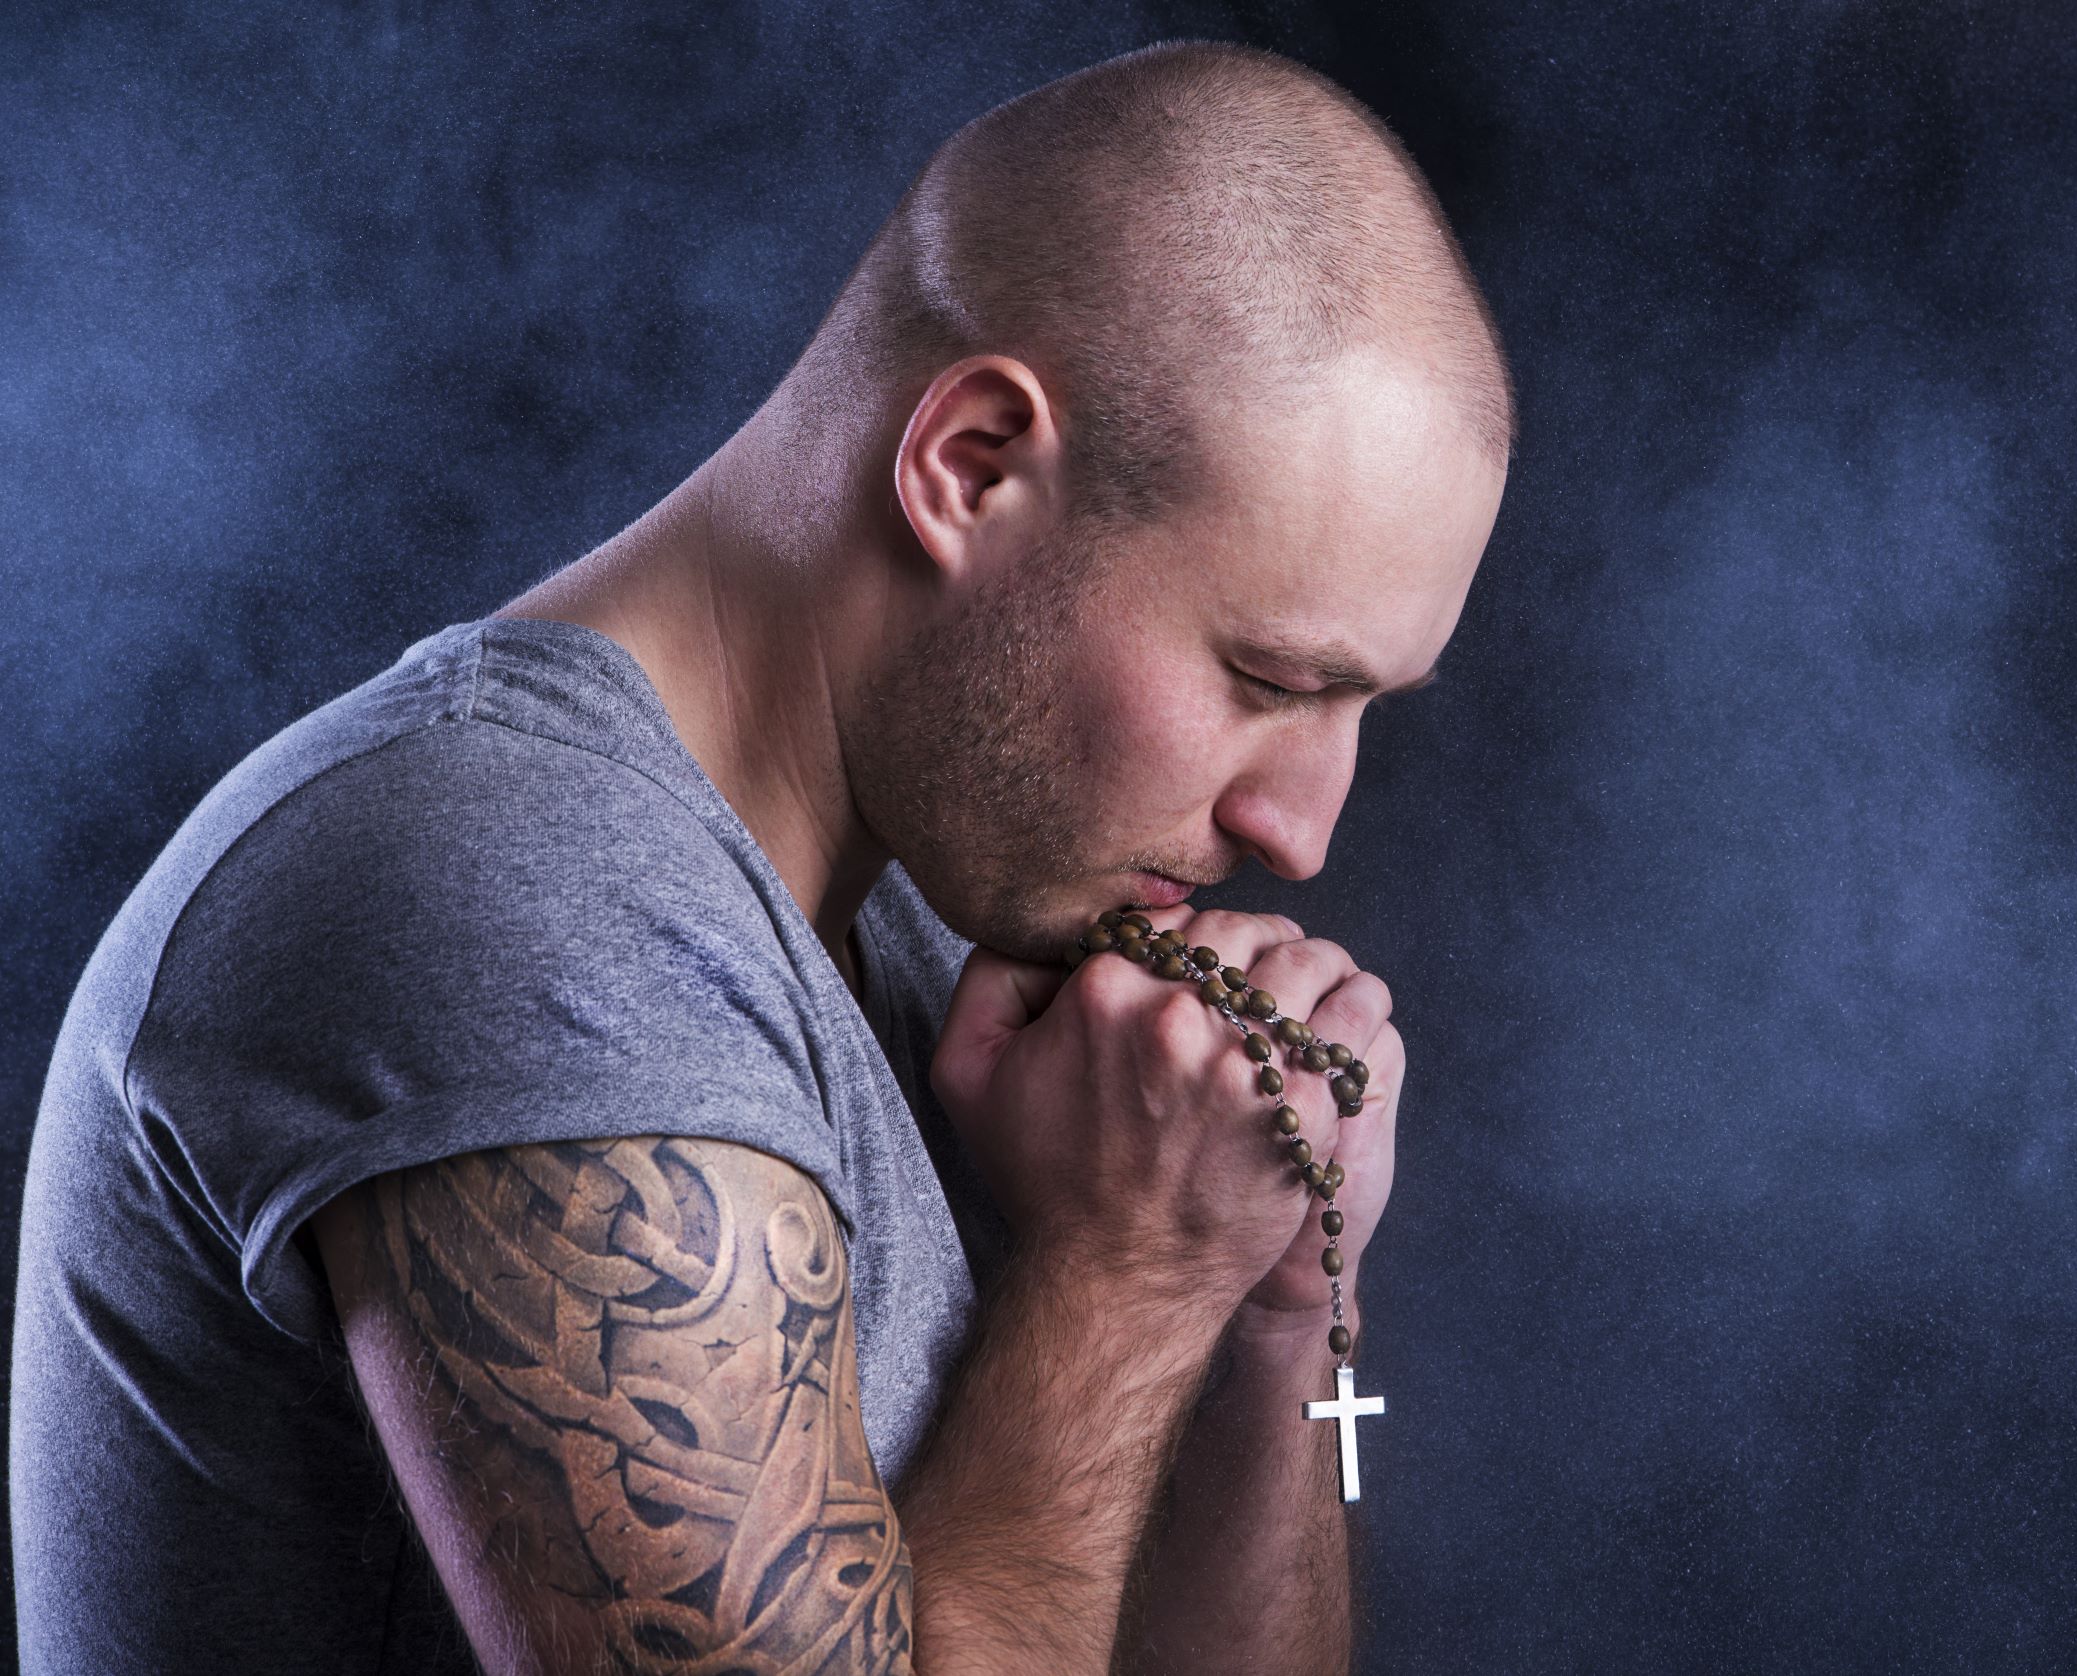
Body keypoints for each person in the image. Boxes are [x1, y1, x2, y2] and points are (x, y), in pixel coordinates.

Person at [11, 38, 1511, 1675]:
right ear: (971, 468)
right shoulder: (506, 884)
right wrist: (1134, 1274)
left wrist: (1276, 1317)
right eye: (1268, 682)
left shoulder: (966, 938)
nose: (1297, 831)